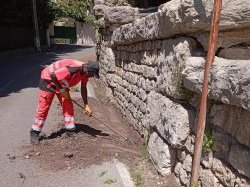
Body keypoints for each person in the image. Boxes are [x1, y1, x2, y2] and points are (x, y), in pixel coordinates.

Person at [30, 59, 99, 144]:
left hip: (61, 81)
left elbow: (83, 88)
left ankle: (70, 131)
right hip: (48, 80)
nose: (92, 77)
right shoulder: (73, 68)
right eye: (92, 74)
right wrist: (61, 89)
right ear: (89, 70)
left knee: (68, 105)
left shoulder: (85, 73)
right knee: (44, 107)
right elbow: (53, 75)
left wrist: (86, 105)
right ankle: (34, 132)